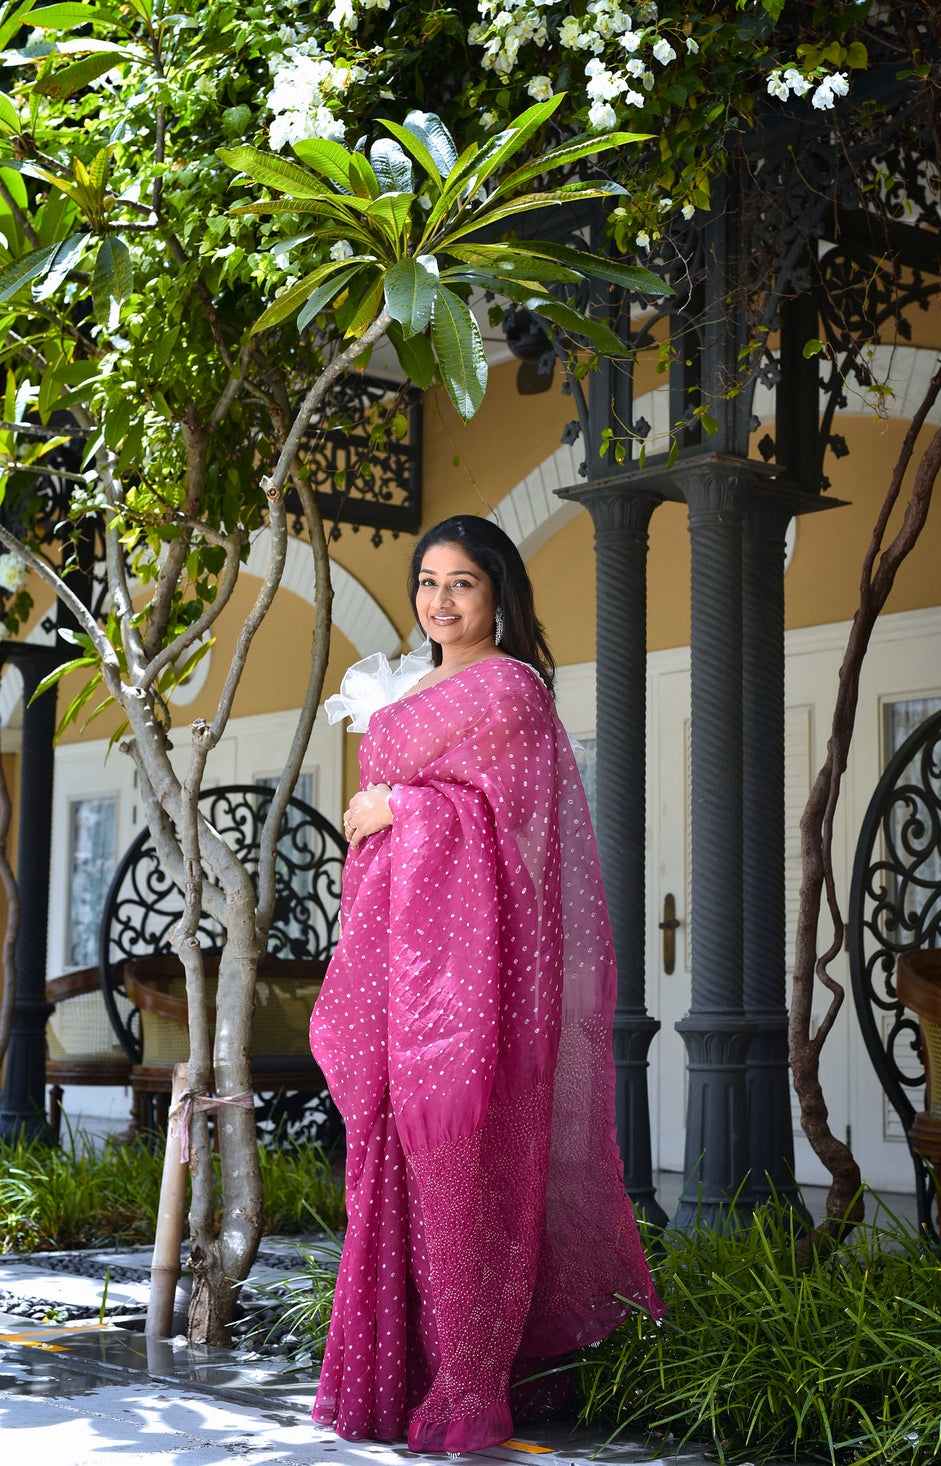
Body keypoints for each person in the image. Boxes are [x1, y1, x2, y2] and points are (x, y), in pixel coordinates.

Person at [309, 515, 663, 1454]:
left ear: (499, 592)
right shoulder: (420, 686)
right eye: (428, 582)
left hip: (476, 970)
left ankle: (471, 1382)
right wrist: (380, 815)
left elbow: (501, 832)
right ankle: (403, 1373)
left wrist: (399, 806)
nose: (440, 602)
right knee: (395, 1153)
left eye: (461, 583)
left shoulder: (508, 690)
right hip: (398, 957)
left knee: (464, 1150)